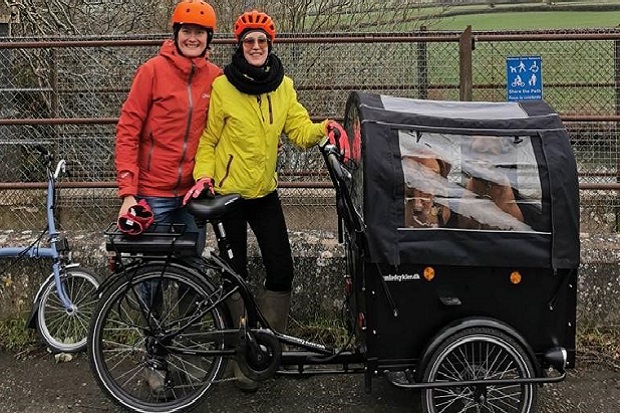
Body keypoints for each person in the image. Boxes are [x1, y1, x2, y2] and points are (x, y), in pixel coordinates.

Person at [183, 9, 349, 392]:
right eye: (248, 41)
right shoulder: (224, 87)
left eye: (261, 41)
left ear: (269, 45)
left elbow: (298, 129)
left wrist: (323, 129)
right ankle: (241, 356)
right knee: (235, 276)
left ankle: (267, 349)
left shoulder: (284, 86)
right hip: (229, 195)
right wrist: (204, 174)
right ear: (239, 46)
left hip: (265, 192)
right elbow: (208, 140)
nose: (255, 47)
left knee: (281, 268)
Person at [113, 0, 222, 397]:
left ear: (209, 39)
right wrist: (128, 192)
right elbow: (128, 130)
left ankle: (183, 348)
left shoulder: (215, 78)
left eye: (200, 32)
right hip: (155, 194)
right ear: (175, 34)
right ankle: (154, 356)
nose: (192, 37)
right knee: (152, 279)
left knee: (193, 274)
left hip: (192, 195)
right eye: (186, 31)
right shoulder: (152, 72)